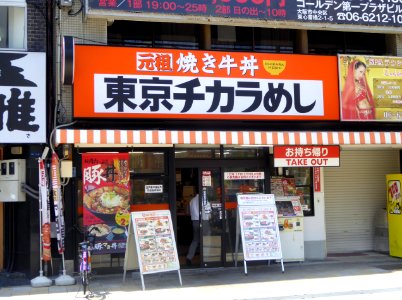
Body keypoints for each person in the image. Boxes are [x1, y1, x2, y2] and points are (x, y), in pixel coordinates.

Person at [186, 193, 200, 266]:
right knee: (207, 238)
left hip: (194, 221)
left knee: (195, 240)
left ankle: (189, 257)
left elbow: (188, 213)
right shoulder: (203, 199)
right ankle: (207, 258)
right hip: (202, 221)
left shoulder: (191, 200)